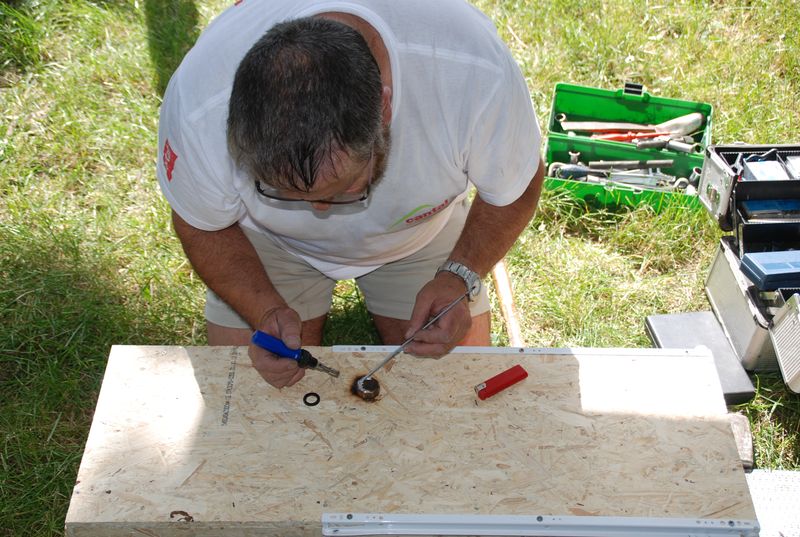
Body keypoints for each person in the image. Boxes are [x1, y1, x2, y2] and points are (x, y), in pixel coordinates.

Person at [156, 0, 544, 389]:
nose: (320, 209)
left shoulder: (471, 70)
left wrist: (459, 275)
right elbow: (200, 223)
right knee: (247, 398)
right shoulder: (201, 102)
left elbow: (516, 186)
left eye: (344, 189)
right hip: (266, 240)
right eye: (282, 190)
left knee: (454, 392)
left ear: (385, 108)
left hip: (418, 232)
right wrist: (264, 308)